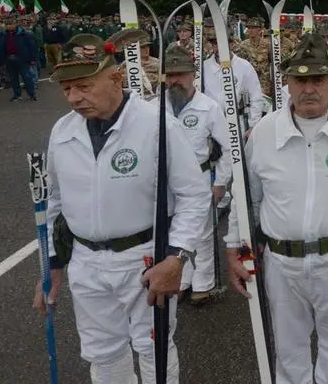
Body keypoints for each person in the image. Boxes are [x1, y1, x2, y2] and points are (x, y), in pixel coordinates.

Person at [33, 31, 211, 384]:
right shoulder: (63, 131)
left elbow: (194, 195)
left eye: (83, 86)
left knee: (154, 350)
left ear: (114, 76)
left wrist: (176, 258)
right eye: (67, 89)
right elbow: (54, 204)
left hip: (145, 258)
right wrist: (51, 265)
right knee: (103, 354)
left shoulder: (156, 123)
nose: (74, 98)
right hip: (86, 263)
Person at [225, 33, 328, 384]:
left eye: (318, 79)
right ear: (287, 82)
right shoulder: (264, 133)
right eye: (300, 80)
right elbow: (247, 198)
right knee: (289, 354)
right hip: (282, 263)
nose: (309, 89)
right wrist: (236, 248)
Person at [152, 45, 232, 305]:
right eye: (170, 75)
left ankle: (204, 282)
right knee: (174, 233)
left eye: (181, 74)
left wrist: (220, 183)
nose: (175, 80)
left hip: (200, 178)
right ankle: (183, 279)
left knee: (203, 234)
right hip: (163, 182)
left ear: (192, 75)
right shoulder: (154, 107)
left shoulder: (209, 107)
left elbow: (227, 148)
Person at [201, 24, 264, 132]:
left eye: (223, 43)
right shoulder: (204, 67)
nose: (219, 47)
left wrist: (253, 125)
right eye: (215, 44)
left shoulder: (244, 66)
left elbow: (256, 96)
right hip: (210, 124)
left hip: (237, 123)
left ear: (231, 44)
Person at [0, 15, 38, 101]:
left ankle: (31, 94)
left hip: (22, 58)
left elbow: (32, 46)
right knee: (13, 79)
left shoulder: (24, 34)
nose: (9, 26)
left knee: (27, 77)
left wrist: (33, 58)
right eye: (7, 24)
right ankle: (17, 95)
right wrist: (1, 60)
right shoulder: (2, 35)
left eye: (11, 24)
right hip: (9, 59)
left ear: (16, 24)